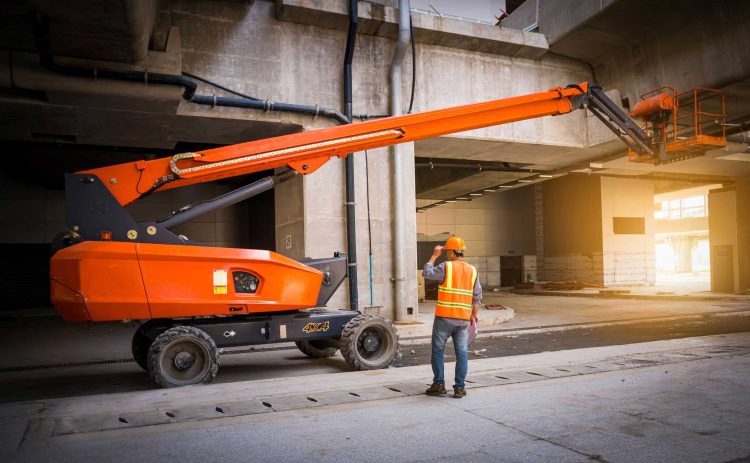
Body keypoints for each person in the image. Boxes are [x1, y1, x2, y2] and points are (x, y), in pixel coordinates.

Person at [422, 235, 482, 399]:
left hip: (444, 318)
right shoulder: (472, 270)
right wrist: (474, 315)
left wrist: (435, 255)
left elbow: (426, 273)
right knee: (462, 353)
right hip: (463, 319)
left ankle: (439, 384)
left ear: (450, 252)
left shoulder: (446, 267)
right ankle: (459, 388)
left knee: (438, 350)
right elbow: (477, 296)